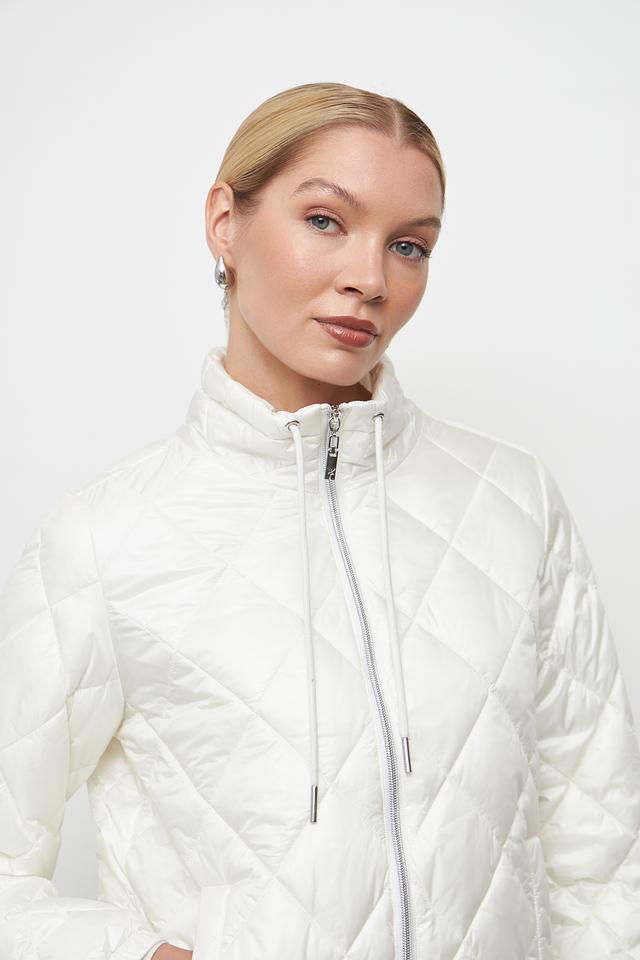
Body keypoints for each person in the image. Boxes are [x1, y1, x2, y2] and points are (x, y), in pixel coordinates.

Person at [0, 81, 638, 960]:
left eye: (409, 246)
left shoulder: (514, 502)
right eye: (326, 221)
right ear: (225, 223)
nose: (370, 280)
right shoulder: (105, 543)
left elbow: (603, 859)